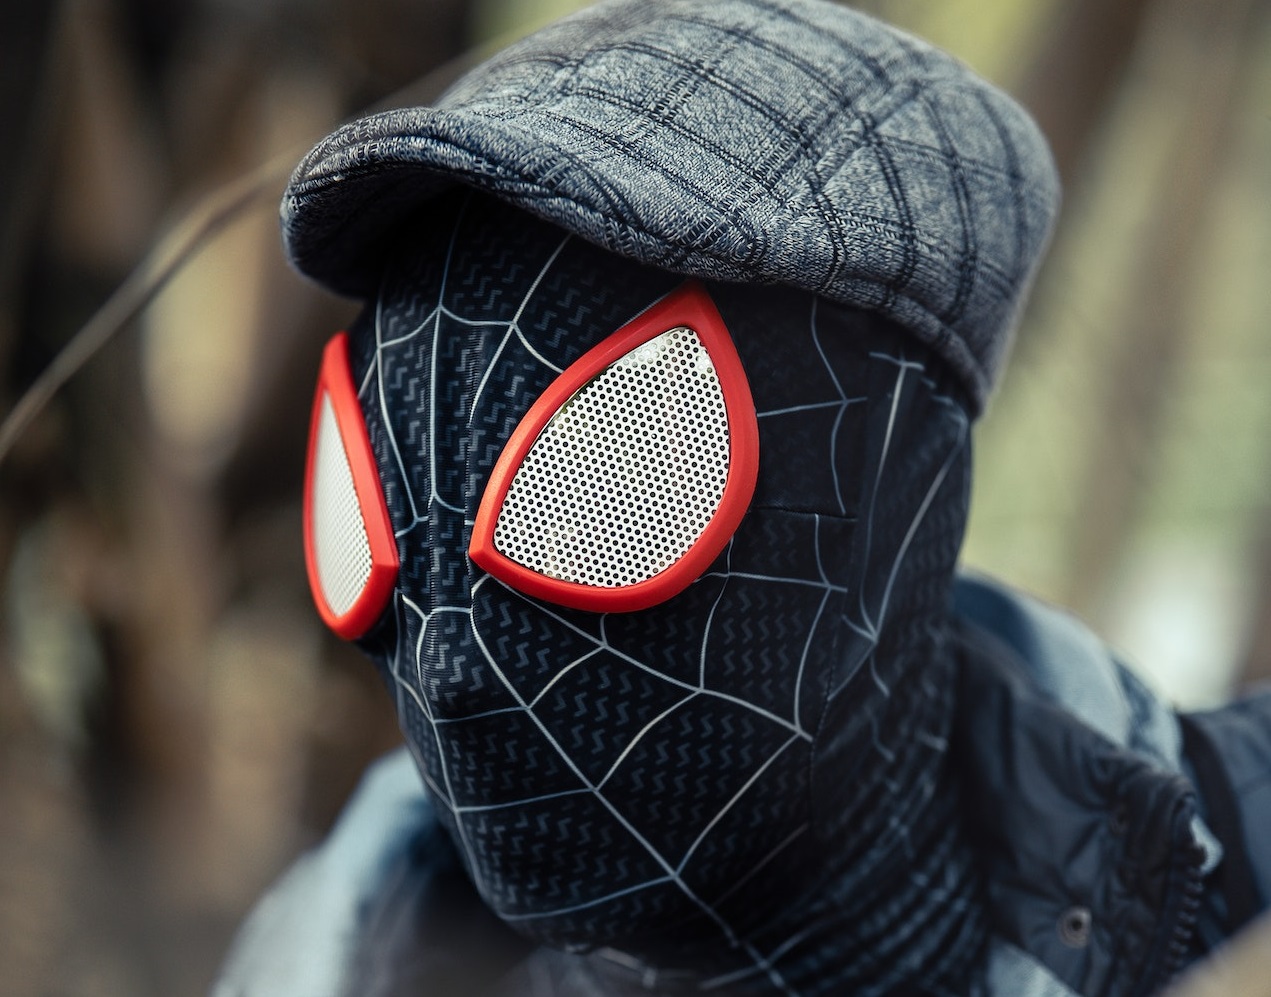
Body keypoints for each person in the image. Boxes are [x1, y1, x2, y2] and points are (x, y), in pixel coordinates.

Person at [214, 1, 1271, 994]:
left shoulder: (1239, 901)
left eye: (610, 483)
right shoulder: (325, 946)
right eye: (386, 501)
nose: (447, 673)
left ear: (906, 501)